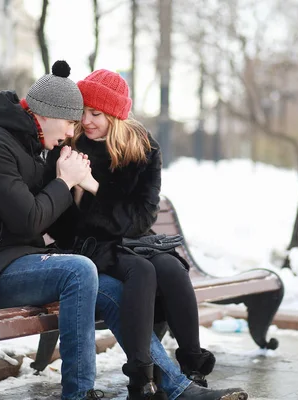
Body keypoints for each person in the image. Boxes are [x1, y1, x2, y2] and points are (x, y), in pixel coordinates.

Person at [0, 60, 246, 400]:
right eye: (72, 120)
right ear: (50, 112)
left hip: (14, 261)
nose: (74, 131)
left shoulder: (27, 144)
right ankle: (79, 393)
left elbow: (44, 215)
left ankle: (176, 387)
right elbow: (30, 220)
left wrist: (77, 185)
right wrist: (66, 181)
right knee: (80, 269)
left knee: (115, 288)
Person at [45, 69, 246, 400]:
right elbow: (64, 223)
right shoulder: (68, 147)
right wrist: (71, 186)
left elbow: (141, 218)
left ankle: (192, 367)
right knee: (144, 269)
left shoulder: (142, 149)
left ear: (116, 115)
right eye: (84, 112)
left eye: (97, 113)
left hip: (130, 240)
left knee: (171, 268)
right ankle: (141, 379)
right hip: (87, 244)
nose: (87, 120)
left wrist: (93, 186)